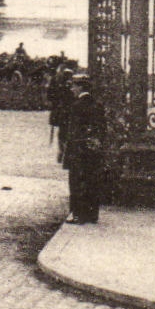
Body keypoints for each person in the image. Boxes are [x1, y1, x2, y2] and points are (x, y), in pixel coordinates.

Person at [65, 71, 106, 224]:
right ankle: (92, 214)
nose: (72, 89)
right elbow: (102, 129)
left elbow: (73, 132)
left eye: (74, 86)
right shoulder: (98, 105)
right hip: (93, 149)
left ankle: (78, 215)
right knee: (92, 180)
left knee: (76, 181)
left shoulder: (76, 106)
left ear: (80, 87)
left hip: (79, 150)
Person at [47, 66, 74, 164]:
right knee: (65, 132)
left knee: (63, 132)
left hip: (62, 112)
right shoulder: (65, 84)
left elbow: (50, 96)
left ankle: (62, 152)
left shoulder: (57, 81)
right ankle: (63, 152)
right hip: (65, 112)